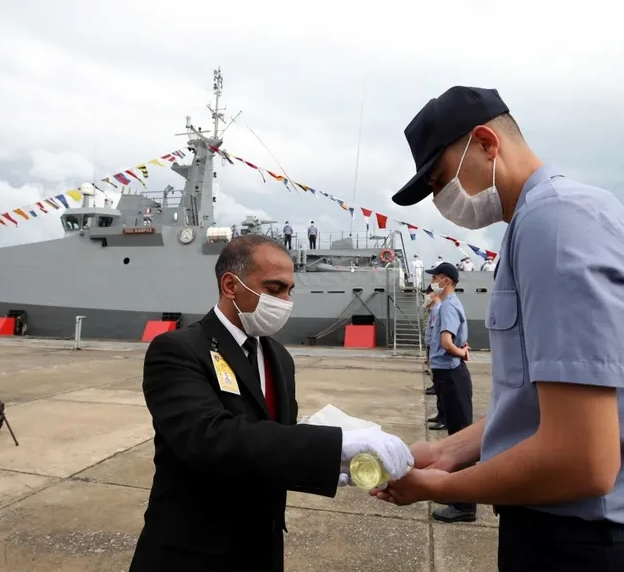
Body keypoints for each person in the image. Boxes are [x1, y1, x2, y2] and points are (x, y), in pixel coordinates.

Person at [379, 85, 624, 571]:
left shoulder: (557, 223)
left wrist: (443, 487)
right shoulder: (542, 221)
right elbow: (538, 409)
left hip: (589, 548)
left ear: (487, 143)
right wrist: (445, 452)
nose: (441, 199)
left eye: (441, 179)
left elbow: (581, 459)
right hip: (571, 535)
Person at [129, 234, 413, 572]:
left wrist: (330, 456)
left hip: (263, 545)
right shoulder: (178, 350)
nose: (285, 301)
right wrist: (333, 445)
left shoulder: (279, 357)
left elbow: (274, 433)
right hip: (192, 551)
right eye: (274, 289)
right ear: (231, 286)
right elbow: (208, 437)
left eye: (289, 290)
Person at [424, 261, 474, 522]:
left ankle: (465, 505)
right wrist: (461, 347)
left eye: (436, 277)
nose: (433, 281)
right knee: (458, 439)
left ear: (446, 280)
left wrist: (461, 352)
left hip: (452, 376)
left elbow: (446, 342)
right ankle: (457, 494)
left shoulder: (447, 306)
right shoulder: (450, 304)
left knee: (461, 442)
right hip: (450, 376)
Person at [422, 284, 446, 431]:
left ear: (434, 294)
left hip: (436, 349)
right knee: (438, 386)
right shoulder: (434, 310)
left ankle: (444, 418)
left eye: (428, 293)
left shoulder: (438, 310)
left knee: (442, 389)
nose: (426, 296)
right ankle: (440, 415)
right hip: (433, 348)